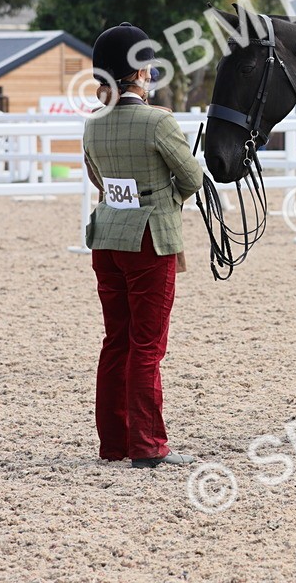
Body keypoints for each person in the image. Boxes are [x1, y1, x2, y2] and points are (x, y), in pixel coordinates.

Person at [82, 23, 204, 468]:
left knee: (116, 341)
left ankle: (114, 443)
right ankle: (149, 445)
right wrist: (164, 197)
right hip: (150, 240)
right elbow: (192, 178)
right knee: (148, 346)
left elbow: (98, 178)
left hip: (106, 238)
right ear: (138, 72)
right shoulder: (159, 121)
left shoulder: (93, 123)